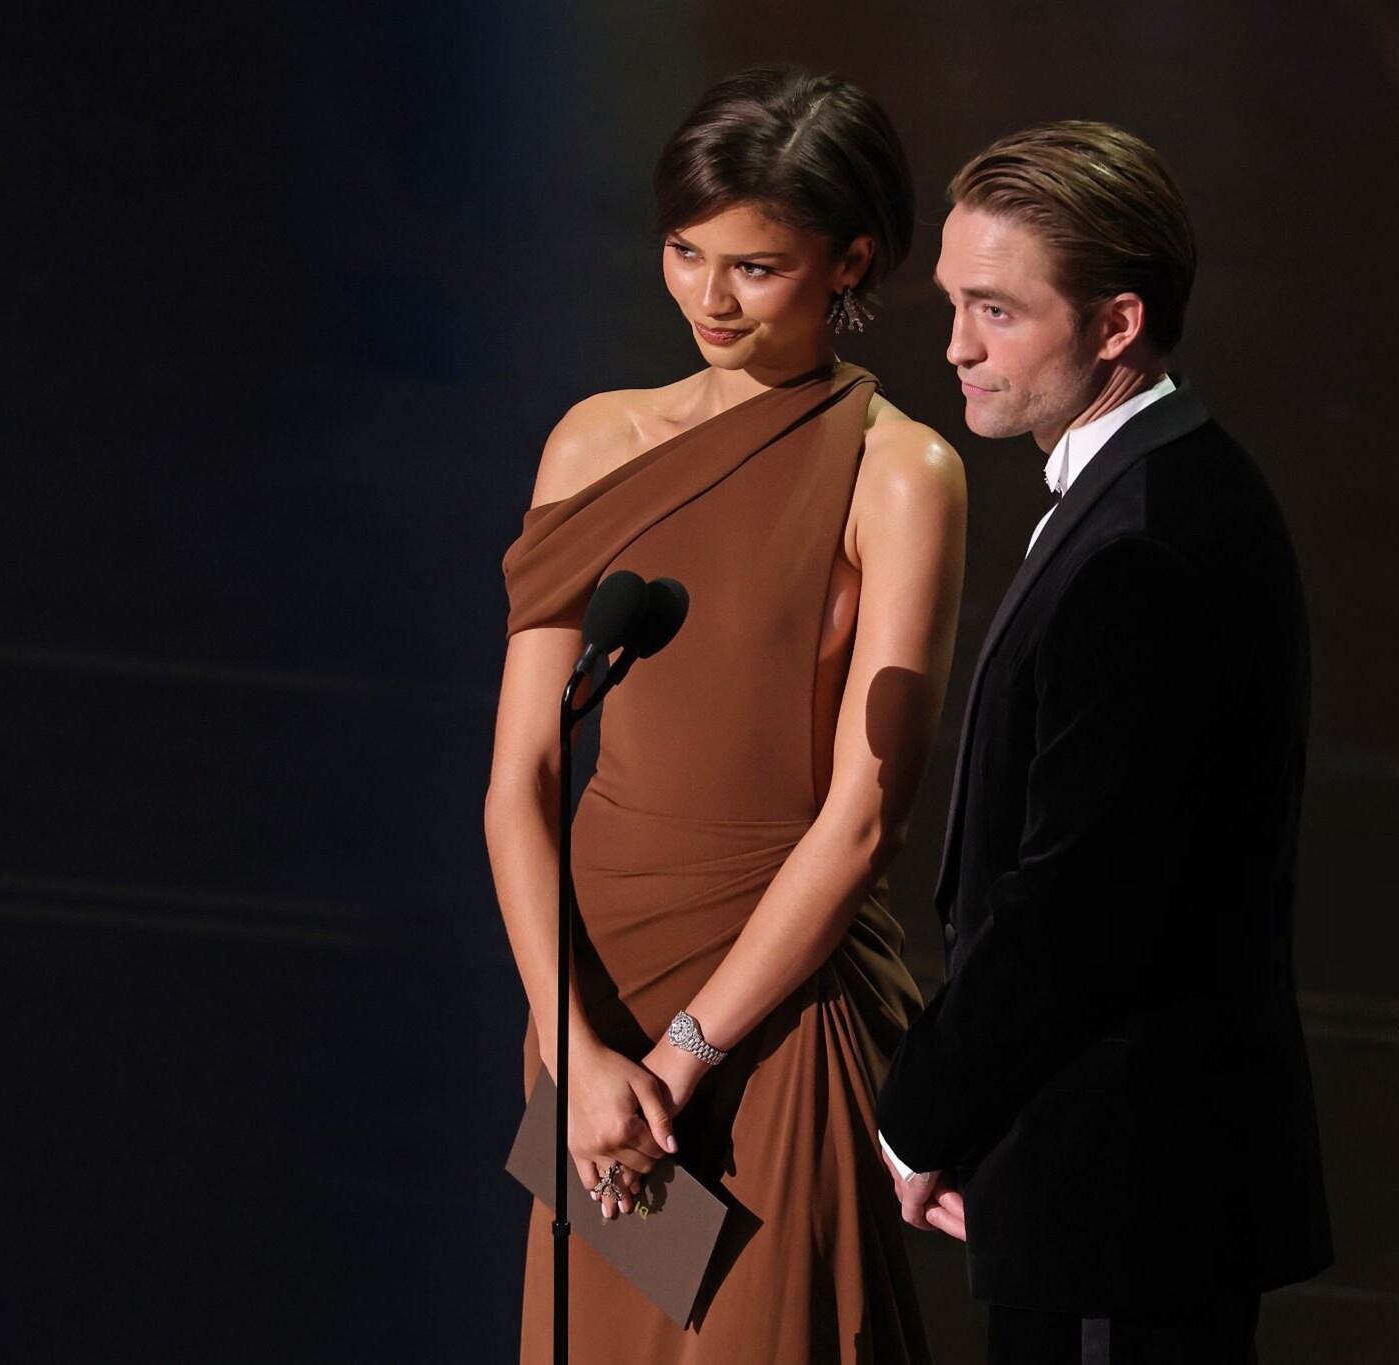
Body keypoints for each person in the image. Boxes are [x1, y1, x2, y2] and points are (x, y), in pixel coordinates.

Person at [485, 65, 965, 1364]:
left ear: (849, 261)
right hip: (596, 995)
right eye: (685, 253)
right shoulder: (594, 444)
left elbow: (865, 818)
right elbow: (521, 777)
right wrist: (576, 1051)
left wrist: (684, 1057)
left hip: (772, 1002)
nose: (708, 298)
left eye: (753, 267)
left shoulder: (900, 474)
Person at [875, 121, 1333, 1363]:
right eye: (951, 304)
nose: (956, 346)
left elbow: (1077, 899)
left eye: (995, 311)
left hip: (1116, 1187)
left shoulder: (1139, 546)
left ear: (1115, 324)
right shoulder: (1170, 484)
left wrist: (919, 1114)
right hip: (1119, 1179)